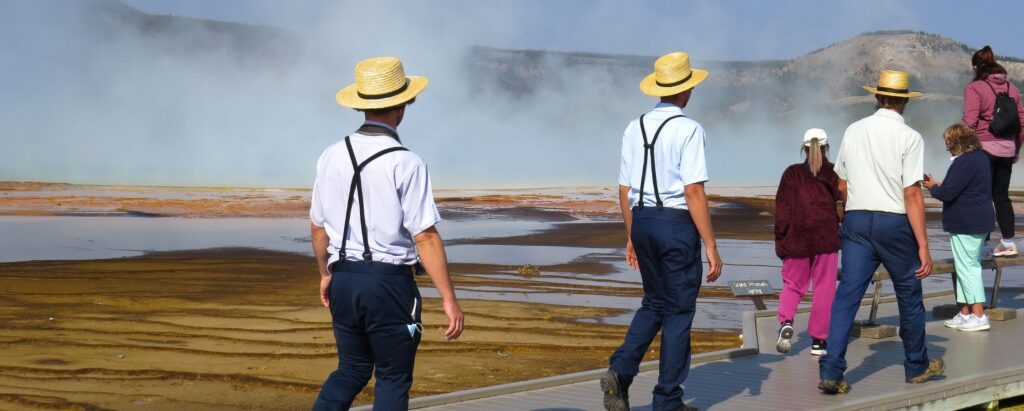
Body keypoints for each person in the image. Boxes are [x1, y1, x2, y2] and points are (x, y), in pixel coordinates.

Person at [310, 56, 464, 410]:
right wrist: (449, 299)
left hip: (343, 279)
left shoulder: (330, 156)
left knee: (351, 368)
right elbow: (425, 236)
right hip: (389, 285)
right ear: (403, 105)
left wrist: (324, 274)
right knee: (393, 378)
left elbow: (318, 229)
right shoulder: (407, 162)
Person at [601, 51, 724, 411]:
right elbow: (693, 191)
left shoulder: (634, 126)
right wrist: (711, 245)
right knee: (679, 312)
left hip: (643, 222)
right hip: (675, 226)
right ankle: (667, 400)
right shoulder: (689, 129)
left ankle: (621, 371)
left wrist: (631, 235)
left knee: (655, 303)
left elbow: (624, 189)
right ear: (687, 91)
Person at [818, 70, 944, 395]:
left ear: (877, 97)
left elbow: (842, 184)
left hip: (857, 221)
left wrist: (848, 214)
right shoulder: (910, 137)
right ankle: (916, 366)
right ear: (903, 102)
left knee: (847, 297)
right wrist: (924, 246)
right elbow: (912, 194)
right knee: (909, 297)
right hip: (894, 222)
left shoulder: (853, 130)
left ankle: (831, 371)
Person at [773, 128, 840, 356]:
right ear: (826, 147)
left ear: (804, 148)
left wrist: (781, 238)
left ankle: (786, 322)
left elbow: (782, 210)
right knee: (824, 289)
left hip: (797, 238)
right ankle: (819, 342)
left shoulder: (791, 173)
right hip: (826, 238)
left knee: (793, 285)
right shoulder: (834, 173)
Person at [924, 124, 995, 332]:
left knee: (968, 268)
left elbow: (947, 193)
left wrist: (932, 188)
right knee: (965, 266)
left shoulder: (964, 162)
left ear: (957, 142)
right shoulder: (981, 157)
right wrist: (940, 186)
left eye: (948, 144)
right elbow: (959, 188)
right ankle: (965, 314)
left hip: (967, 222)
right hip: (978, 220)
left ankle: (979, 315)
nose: (947, 148)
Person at [962, 46, 1024, 257]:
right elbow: (1021, 123)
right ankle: (1007, 242)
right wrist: (1016, 148)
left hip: (983, 149)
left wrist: (962, 151)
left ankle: (984, 245)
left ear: (975, 67)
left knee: (983, 196)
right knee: (1001, 197)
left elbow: (969, 122)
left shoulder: (975, 88)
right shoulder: (1012, 89)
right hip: (1007, 150)